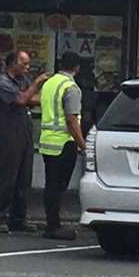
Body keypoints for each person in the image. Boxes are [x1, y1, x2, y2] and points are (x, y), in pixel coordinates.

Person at [0, 50, 49, 234]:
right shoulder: (2, 82)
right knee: (7, 176)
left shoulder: (23, 81)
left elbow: (31, 100)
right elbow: (21, 99)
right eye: (23, 64)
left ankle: (19, 218)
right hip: (8, 133)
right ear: (12, 64)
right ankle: (0, 216)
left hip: (24, 133)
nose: (27, 67)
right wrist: (37, 82)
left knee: (24, 178)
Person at [39, 51, 86, 240]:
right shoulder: (71, 87)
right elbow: (71, 119)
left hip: (47, 142)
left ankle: (51, 223)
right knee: (58, 187)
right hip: (64, 143)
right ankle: (54, 226)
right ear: (77, 68)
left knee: (51, 185)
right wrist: (82, 144)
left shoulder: (49, 83)